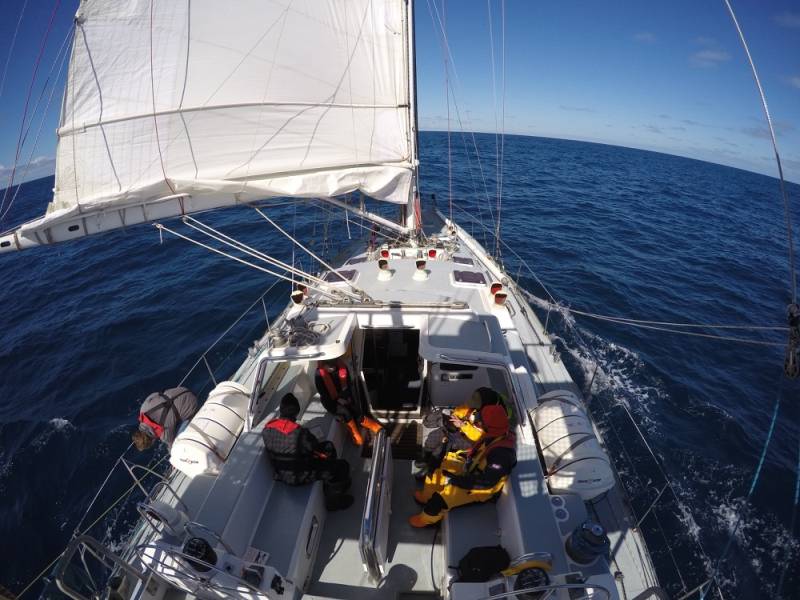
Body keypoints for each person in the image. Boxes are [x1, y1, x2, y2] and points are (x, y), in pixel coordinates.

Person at [409, 404, 517, 527]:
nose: (476, 422)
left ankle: (426, 519)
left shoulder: (501, 455)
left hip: (480, 486)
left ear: (488, 426)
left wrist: (457, 481)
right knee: (437, 468)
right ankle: (427, 496)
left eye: (480, 421)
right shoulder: (496, 433)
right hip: (471, 468)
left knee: (443, 498)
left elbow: (487, 482)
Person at [262, 393, 354, 511]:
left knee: (327, 447)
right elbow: (313, 447)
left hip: (282, 473)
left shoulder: (267, 429)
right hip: (299, 476)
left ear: (281, 410)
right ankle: (333, 502)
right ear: (296, 413)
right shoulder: (299, 432)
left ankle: (331, 482)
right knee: (342, 466)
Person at [420, 387, 506, 472]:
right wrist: (454, 416)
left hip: (469, 441)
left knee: (441, 449)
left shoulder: (491, 416)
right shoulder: (474, 407)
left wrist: (462, 425)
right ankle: (426, 456)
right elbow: (461, 410)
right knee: (433, 436)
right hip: (457, 430)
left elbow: (480, 437)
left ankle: (431, 469)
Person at [315, 358, 382, 446]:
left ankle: (373, 426)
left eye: (334, 367)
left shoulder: (342, 367)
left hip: (345, 395)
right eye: (329, 368)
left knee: (354, 408)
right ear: (324, 366)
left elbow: (349, 384)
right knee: (345, 412)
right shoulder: (318, 375)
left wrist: (347, 397)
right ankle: (356, 436)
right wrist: (338, 400)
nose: (332, 369)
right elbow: (323, 393)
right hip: (330, 401)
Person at [132, 387, 198, 451]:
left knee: (178, 440)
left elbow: (173, 449)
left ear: (151, 442)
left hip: (192, 404)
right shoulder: (143, 409)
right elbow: (155, 394)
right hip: (182, 390)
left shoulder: (165, 436)